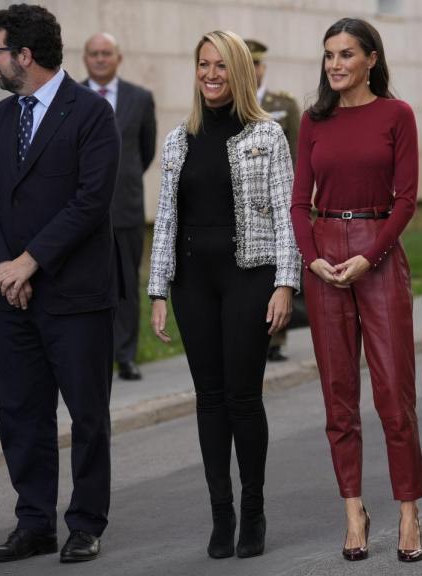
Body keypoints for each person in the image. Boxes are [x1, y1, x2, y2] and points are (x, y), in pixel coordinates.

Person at [0, 4, 121, 564]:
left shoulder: (91, 113)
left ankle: (85, 522)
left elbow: (90, 202)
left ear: (24, 56)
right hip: (16, 297)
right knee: (20, 415)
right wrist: (1, 267)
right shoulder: (1, 117)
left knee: (87, 416)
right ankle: (34, 523)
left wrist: (29, 262)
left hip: (76, 296)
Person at [148, 29, 300, 560]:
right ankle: (222, 513)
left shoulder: (268, 134)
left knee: (243, 397)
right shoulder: (178, 139)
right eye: (203, 65)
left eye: (220, 66)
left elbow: (287, 214)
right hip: (193, 282)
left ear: (238, 71)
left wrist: (285, 283)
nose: (211, 75)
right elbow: (166, 219)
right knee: (209, 398)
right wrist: (158, 290)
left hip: (248, 276)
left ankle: (253, 510)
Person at [290, 17, 422, 563]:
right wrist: (313, 260)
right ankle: (354, 513)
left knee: (394, 395)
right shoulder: (313, 120)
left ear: (371, 59)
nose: (335, 64)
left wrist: (371, 255)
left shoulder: (397, 114)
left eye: (346, 54)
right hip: (324, 260)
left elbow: (408, 200)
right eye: (329, 55)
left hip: (379, 254)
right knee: (338, 398)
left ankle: (409, 512)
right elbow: (298, 202)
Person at [83, 32, 157, 381]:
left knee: (126, 283)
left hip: (125, 207)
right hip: (82, 210)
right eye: (94, 53)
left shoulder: (140, 99)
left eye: (106, 53)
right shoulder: (72, 96)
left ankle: (125, 355)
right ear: (85, 58)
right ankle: (92, 355)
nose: (100, 59)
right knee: (87, 284)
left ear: (118, 58)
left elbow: (146, 151)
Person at [245, 38, 303, 363]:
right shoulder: (230, 102)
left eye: (256, 63)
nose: (252, 70)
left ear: (263, 67)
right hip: (244, 202)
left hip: (276, 199)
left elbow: (297, 152)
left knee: (277, 266)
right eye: (246, 63)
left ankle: (276, 337)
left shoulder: (283, 104)